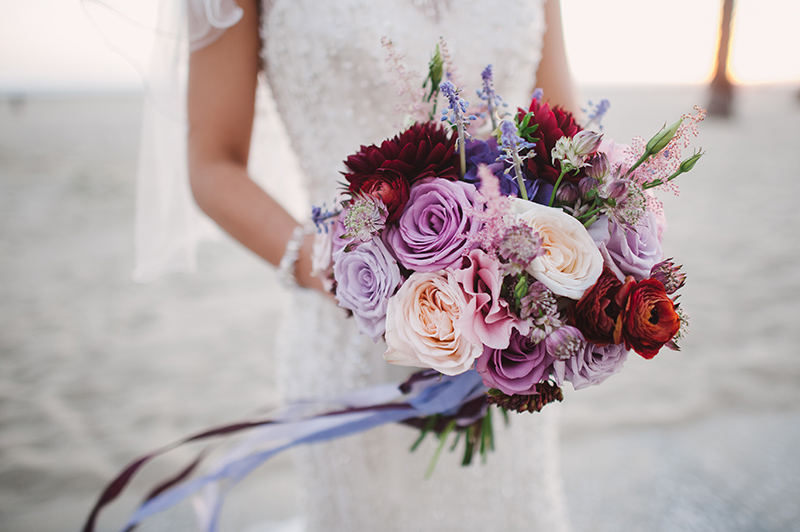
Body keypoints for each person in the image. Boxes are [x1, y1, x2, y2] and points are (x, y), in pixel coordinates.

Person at [141, 0, 580, 530]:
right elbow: (212, 161)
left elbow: (564, 141)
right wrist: (329, 266)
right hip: (347, 330)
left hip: (504, 346)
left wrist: (573, 259)